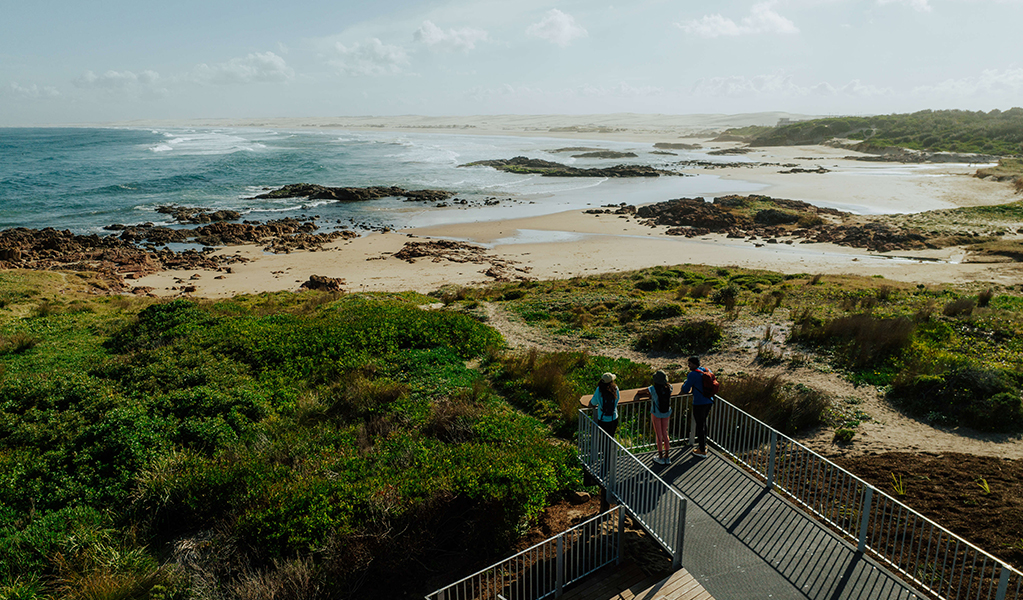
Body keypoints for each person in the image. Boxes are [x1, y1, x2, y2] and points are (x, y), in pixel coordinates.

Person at [681, 356, 714, 457]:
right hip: (709, 401)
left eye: (690, 364)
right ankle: (704, 444)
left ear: (694, 364)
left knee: (700, 425)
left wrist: (684, 384)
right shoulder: (707, 370)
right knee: (703, 423)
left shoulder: (693, 374)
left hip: (699, 403)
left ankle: (702, 450)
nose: (688, 365)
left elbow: (686, 389)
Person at [646, 370, 673, 465]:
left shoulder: (652, 389)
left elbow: (641, 392)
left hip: (656, 413)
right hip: (666, 413)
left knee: (659, 435)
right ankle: (667, 456)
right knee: (665, 433)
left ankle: (660, 457)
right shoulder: (670, 388)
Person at [589, 372, 619, 438]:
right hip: (613, 418)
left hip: (603, 419)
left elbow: (593, 402)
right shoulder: (615, 388)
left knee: (603, 439)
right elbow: (617, 399)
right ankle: (609, 448)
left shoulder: (599, 390)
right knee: (611, 437)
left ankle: (603, 448)